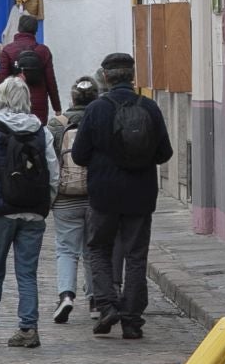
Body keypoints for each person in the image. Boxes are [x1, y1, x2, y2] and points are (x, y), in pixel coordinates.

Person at [72, 51, 172, 339]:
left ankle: (106, 305)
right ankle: (132, 318)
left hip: (104, 193)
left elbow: (79, 155)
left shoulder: (96, 109)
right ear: (132, 76)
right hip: (140, 194)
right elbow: (165, 152)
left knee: (99, 248)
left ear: (105, 77)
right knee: (137, 255)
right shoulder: (149, 108)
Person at [0, 76, 60, 347]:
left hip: (1, 209)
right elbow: (53, 173)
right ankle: (28, 327)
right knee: (27, 271)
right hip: (33, 210)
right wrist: (47, 203)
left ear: (0, 98)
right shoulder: (41, 131)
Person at [48, 76, 100, 323]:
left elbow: (49, 161)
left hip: (65, 195)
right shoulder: (101, 119)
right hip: (95, 194)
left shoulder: (56, 125)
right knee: (93, 249)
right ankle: (95, 301)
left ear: (72, 98)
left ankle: (66, 295)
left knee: (66, 249)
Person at [0, 14, 61, 122]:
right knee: (37, 134)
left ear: (19, 29)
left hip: (15, 102)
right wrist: (57, 108)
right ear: (35, 30)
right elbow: (51, 82)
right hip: (39, 104)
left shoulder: (8, 50)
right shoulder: (43, 51)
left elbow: (1, 81)